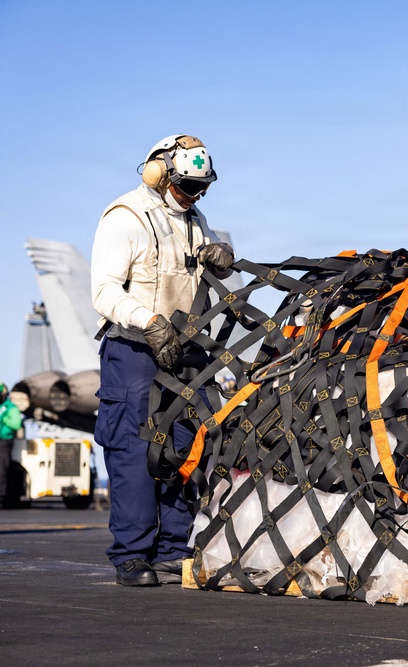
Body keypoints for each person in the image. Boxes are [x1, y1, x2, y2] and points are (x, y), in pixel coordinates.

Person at [91, 134, 233, 586]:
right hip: (134, 349)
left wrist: (222, 258)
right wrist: (149, 322)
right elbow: (103, 291)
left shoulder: (195, 218)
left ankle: (174, 549)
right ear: (160, 173)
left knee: (185, 446)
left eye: (201, 188)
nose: (195, 195)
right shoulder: (126, 217)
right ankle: (132, 555)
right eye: (187, 186)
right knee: (133, 450)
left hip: (185, 349)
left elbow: (203, 269)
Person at [0, 383, 24, 509]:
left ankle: (2, 497)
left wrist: (4, 419)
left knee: (2, 469)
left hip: (4, 441)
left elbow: (16, 424)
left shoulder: (10, 408)